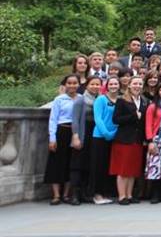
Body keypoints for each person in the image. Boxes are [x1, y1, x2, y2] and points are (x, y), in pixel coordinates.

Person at [110, 75, 146, 206]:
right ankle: (122, 196)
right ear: (129, 85)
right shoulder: (121, 100)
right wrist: (132, 116)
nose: (137, 86)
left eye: (140, 84)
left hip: (137, 139)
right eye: (135, 84)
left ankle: (130, 195)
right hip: (124, 139)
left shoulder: (143, 101)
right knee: (123, 169)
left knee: (133, 169)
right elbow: (116, 119)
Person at [45, 74, 80, 205]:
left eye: (74, 83)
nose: (72, 85)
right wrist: (52, 138)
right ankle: (56, 195)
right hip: (61, 131)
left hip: (75, 132)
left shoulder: (80, 99)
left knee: (71, 163)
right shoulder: (59, 99)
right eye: (69, 83)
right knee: (56, 163)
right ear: (65, 85)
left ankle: (66, 194)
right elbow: (53, 119)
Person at [67, 75, 101, 205]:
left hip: (94, 135)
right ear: (86, 85)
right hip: (82, 133)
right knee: (77, 165)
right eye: (92, 84)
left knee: (89, 164)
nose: (95, 87)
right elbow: (75, 119)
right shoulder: (80, 100)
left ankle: (85, 193)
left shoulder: (100, 99)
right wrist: (75, 136)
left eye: (97, 84)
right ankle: (74, 194)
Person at [91, 76, 119, 205]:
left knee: (109, 166)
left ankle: (106, 192)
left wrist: (114, 133)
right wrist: (107, 133)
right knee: (98, 166)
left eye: (116, 83)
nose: (113, 86)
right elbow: (98, 118)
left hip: (115, 136)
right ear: (107, 85)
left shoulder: (120, 100)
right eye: (111, 84)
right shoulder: (100, 99)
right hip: (100, 136)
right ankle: (97, 194)